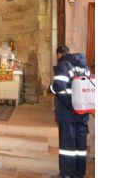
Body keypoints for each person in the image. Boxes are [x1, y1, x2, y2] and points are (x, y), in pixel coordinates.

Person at [49, 45, 90, 178]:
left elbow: (59, 86)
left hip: (67, 110)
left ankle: (67, 174)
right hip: (82, 110)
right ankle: (79, 172)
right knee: (80, 143)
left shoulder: (64, 64)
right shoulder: (84, 67)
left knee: (67, 144)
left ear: (59, 55)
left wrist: (50, 88)